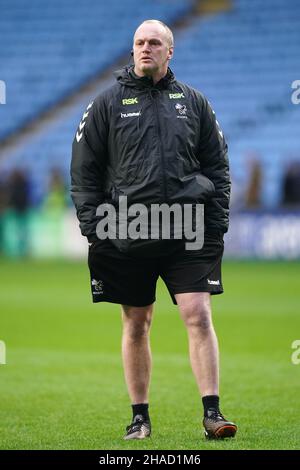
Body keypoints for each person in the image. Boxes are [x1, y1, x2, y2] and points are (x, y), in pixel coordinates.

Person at [71, 19, 237, 440]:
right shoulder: (105, 104)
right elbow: (84, 172)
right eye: (139, 43)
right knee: (137, 322)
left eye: (154, 43)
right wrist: (94, 228)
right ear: (132, 50)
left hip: (188, 232)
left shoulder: (195, 102)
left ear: (170, 51)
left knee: (198, 314)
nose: (145, 48)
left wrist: (215, 226)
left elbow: (217, 166)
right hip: (128, 231)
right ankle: (139, 417)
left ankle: (213, 414)